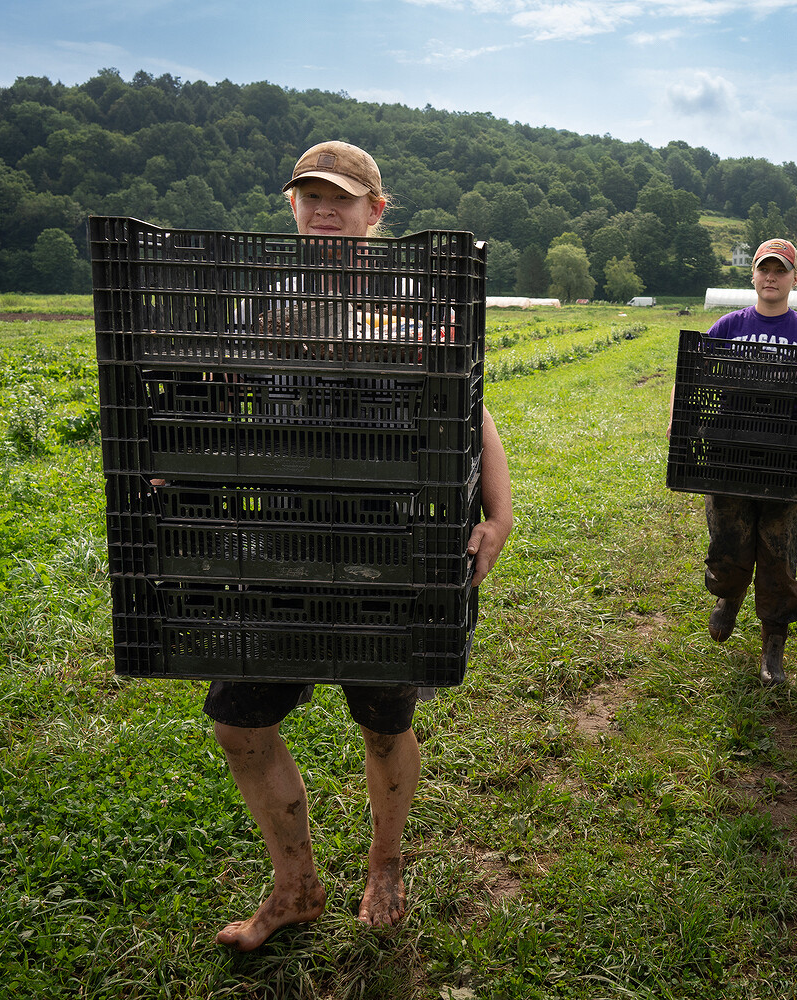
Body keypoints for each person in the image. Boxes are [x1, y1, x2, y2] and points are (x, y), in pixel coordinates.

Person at [209, 140, 514, 950]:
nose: (323, 209)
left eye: (340, 197)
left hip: (389, 545)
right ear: (293, 209)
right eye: (309, 197)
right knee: (239, 723)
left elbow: (472, 408)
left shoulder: (418, 306)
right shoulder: (266, 307)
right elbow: (221, 403)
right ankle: (296, 885)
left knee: (384, 723)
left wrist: (500, 512)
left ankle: (384, 862)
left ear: (376, 212)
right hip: (283, 543)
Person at [699, 238, 797, 686]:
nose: (771, 277)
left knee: (779, 553)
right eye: (764, 269)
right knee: (729, 540)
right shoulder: (729, 325)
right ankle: (729, 598)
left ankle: (773, 644)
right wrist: (676, 425)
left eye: (781, 270)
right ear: (753, 276)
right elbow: (694, 376)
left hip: (787, 460)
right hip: (729, 456)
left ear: (796, 278)